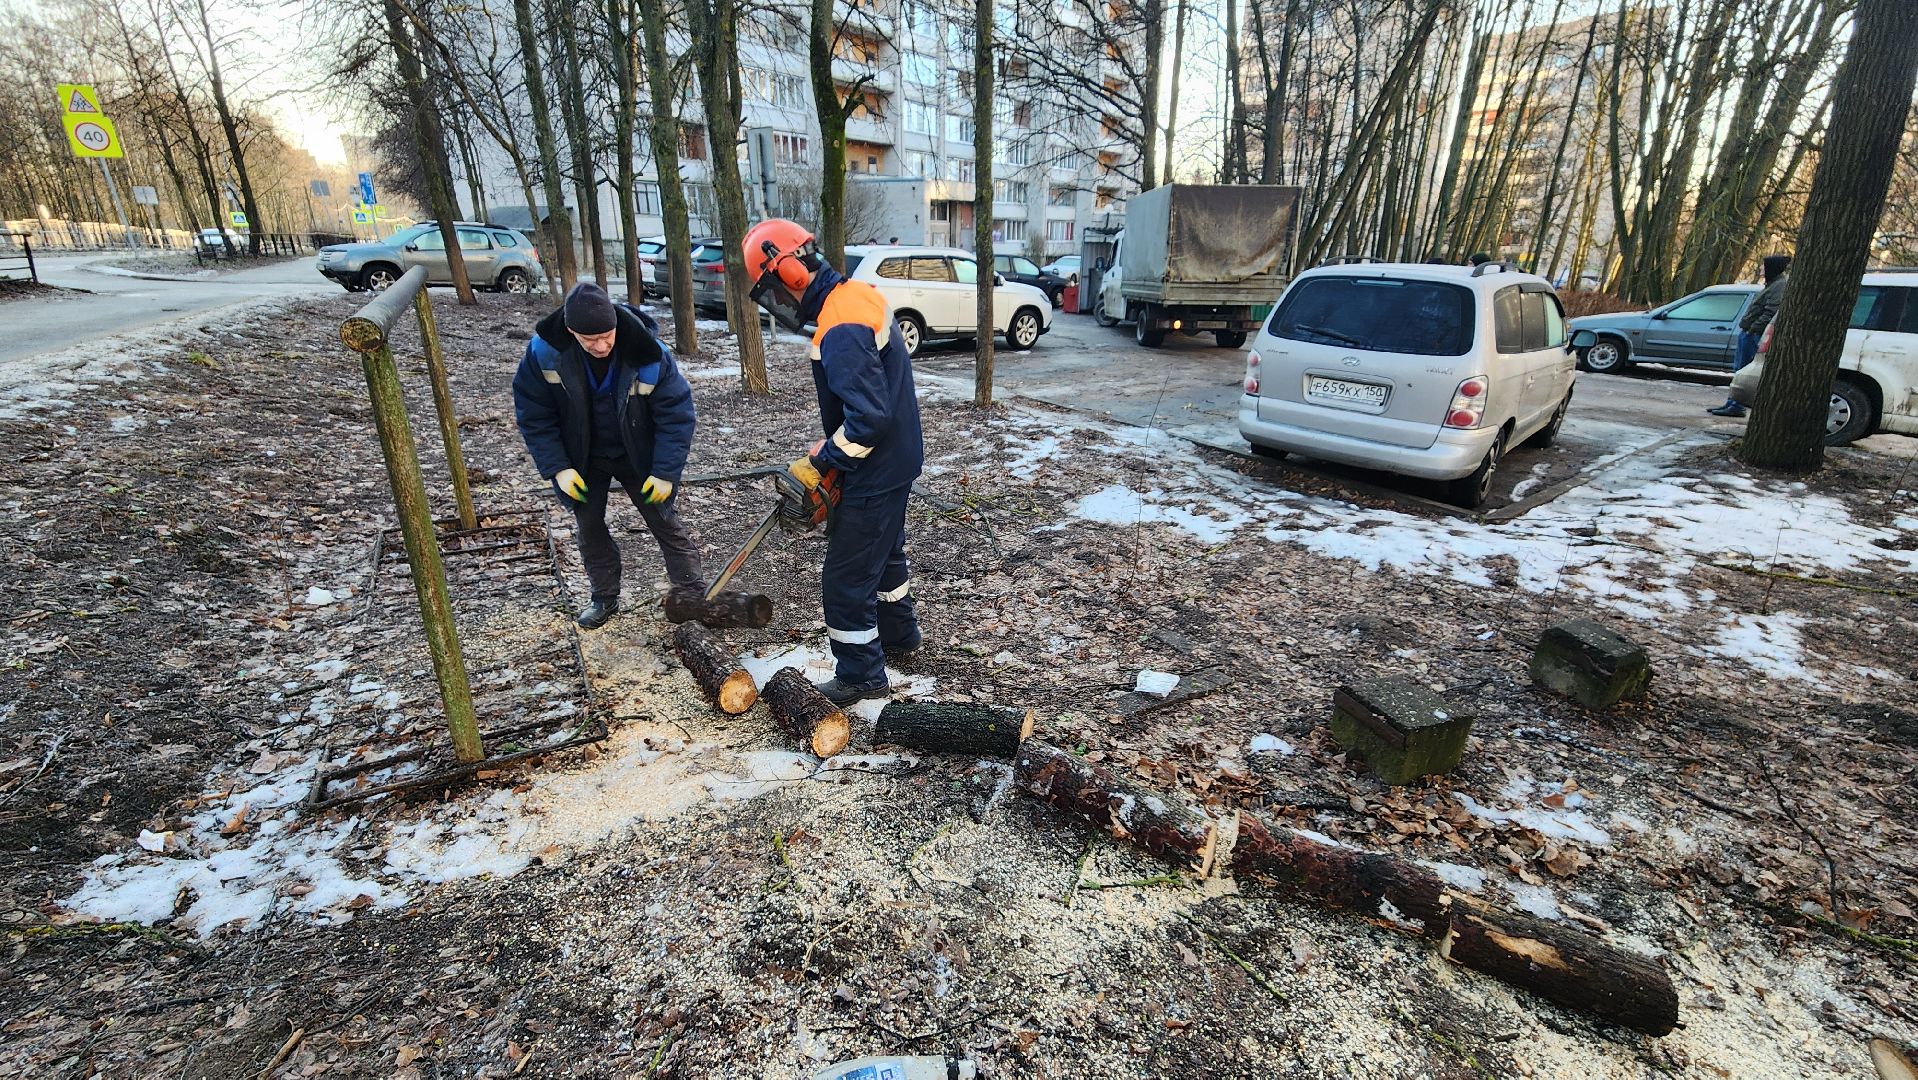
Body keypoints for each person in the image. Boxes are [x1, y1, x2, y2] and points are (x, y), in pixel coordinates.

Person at [741, 218, 924, 705]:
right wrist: (831, 449)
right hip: (897, 460)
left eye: (774, 287)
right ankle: (900, 635)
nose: (779, 299)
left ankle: (861, 674)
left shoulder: (840, 324)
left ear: (790, 273)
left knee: (846, 577)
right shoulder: (856, 296)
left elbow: (868, 419)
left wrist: (827, 458)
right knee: (884, 554)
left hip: (875, 469)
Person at [512, 282, 704, 628]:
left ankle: (692, 596)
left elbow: (676, 415)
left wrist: (664, 472)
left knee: (664, 521)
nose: (600, 346)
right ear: (571, 331)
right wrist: (559, 468)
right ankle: (603, 597)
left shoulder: (648, 352)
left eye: (606, 336)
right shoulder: (544, 354)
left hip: (638, 453)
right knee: (589, 527)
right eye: (590, 339)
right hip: (583, 457)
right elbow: (534, 416)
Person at [1710, 254, 1791, 418]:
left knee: (1744, 369)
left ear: (1771, 268)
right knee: (1739, 368)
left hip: (1754, 334)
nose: (1760, 268)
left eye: (1763, 266)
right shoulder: (1772, 284)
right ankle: (1732, 402)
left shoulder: (1779, 286)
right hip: (1749, 332)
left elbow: (1771, 311)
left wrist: (1753, 329)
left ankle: (1737, 405)